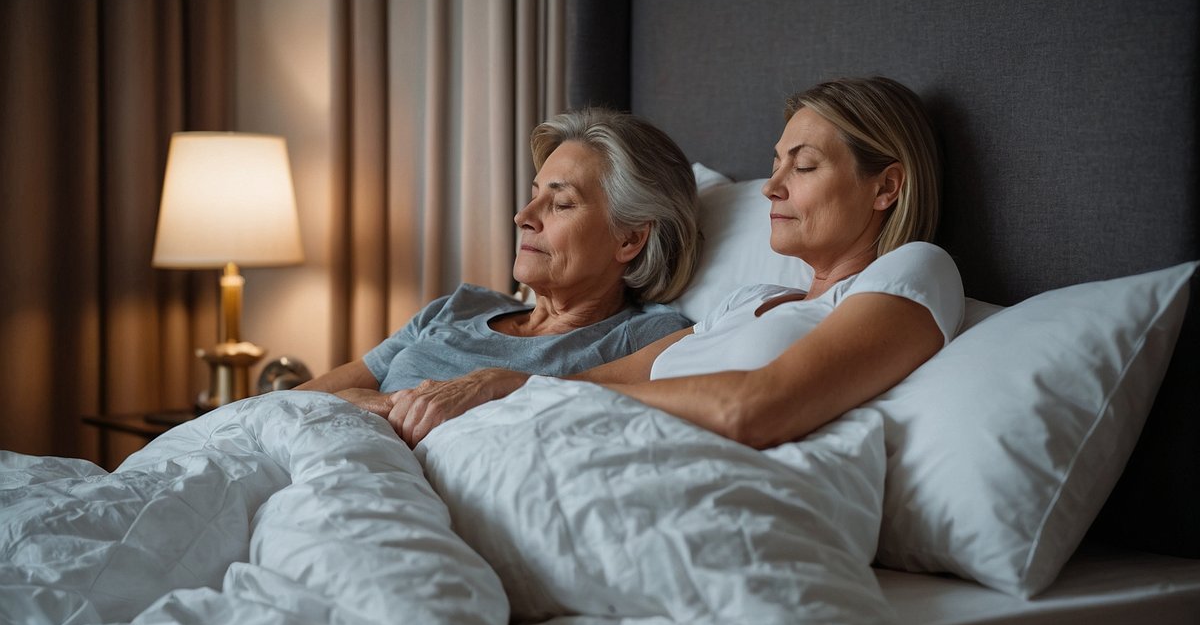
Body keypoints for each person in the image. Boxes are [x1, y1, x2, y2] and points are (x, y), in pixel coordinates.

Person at [379, 76, 965, 448]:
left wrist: (522, 391)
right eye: (775, 164)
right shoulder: (748, 301)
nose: (770, 187)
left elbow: (753, 408)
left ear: (886, 186)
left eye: (803, 167)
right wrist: (499, 386)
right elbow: (591, 380)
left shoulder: (916, 271)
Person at [296, 107, 700, 414]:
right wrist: (350, 405)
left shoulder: (650, 338)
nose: (523, 216)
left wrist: (502, 384)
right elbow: (291, 403)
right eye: (535, 193)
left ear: (629, 239)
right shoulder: (458, 308)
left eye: (561, 203)